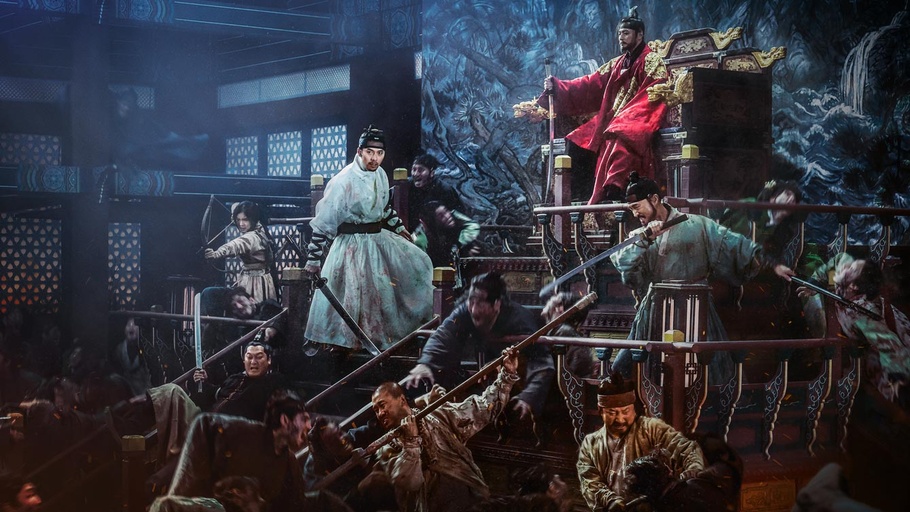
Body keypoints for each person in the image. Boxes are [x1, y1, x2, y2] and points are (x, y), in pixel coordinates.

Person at [609, 173, 793, 381]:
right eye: (631, 209)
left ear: (654, 199)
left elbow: (733, 244)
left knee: (709, 374)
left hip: (696, 308)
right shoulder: (639, 236)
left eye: (637, 207)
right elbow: (623, 264)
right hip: (654, 312)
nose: (635, 214)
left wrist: (772, 264)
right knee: (626, 370)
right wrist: (645, 240)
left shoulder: (698, 225)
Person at [304, 125, 434, 352]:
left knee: (418, 263)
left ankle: (385, 339)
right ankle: (350, 345)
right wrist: (314, 260)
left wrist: (398, 227)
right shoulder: (343, 180)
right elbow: (325, 222)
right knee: (355, 295)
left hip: (376, 239)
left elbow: (383, 207)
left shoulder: (380, 174)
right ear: (359, 151)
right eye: (369, 152)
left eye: (379, 153)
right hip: (351, 245)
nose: (375, 158)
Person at [535, 7, 668, 204]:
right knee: (577, 139)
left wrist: (626, 118)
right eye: (619, 34)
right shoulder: (617, 63)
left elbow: (654, 93)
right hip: (616, 118)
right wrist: (557, 86)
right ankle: (581, 195)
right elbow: (590, 84)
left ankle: (614, 191)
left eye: (626, 33)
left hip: (642, 117)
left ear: (639, 35)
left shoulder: (652, 61)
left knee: (620, 135)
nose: (621, 38)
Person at [375, 347, 521, 512]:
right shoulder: (386, 448)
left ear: (402, 400)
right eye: (376, 410)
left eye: (382, 405)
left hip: (468, 499)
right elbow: (410, 482)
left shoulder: (437, 415)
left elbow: (481, 409)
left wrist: (507, 376)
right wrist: (411, 442)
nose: (380, 413)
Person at [403, 272, 554, 420]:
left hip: (518, 383)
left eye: (480, 303)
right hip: (488, 382)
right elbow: (445, 334)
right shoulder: (466, 310)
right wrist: (426, 363)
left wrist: (528, 397)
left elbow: (542, 363)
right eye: (471, 301)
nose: (474, 309)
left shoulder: (521, 320)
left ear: (496, 304)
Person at [154, 389, 312, 511]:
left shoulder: (289, 463)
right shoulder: (245, 432)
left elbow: (298, 505)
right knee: (166, 506)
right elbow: (204, 423)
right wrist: (184, 498)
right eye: (304, 419)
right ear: (285, 420)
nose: (309, 426)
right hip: (209, 503)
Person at [577, 372, 705, 511]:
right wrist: (610, 500)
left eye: (626, 411)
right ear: (600, 411)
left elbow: (687, 448)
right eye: (612, 413)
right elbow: (589, 481)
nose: (620, 419)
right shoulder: (591, 443)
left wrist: (692, 470)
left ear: (634, 409)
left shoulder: (651, 429)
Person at [799, 255, 910, 409]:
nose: (845, 267)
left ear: (854, 286)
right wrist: (814, 283)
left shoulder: (862, 312)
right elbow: (838, 260)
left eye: (851, 269)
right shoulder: (844, 285)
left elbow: (891, 345)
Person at [205, 201, 277, 304]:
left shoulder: (252, 237)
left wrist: (216, 254)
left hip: (255, 283)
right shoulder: (259, 229)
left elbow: (235, 245)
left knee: (252, 308)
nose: (241, 224)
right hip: (257, 279)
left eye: (245, 220)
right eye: (238, 220)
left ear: (252, 219)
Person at [405, 153, 466, 232]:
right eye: (414, 169)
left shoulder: (444, 190)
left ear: (432, 173)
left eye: (420, 170)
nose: (415, 174)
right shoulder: (405, 186)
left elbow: (459, 216)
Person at [412, 201, 481, 267]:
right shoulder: (421, 240)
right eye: (441, 216)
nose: (447, 216)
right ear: (432, 221)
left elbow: (473, 225)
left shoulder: (449, 225)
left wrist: (464, 248)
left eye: (446, 211)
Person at [111, 317, 152, 396]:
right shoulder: (119, 349)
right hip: (123, 393)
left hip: (142, 393)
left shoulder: (146, 350)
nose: (131, 327)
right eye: (128, 325)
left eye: (134, 324)